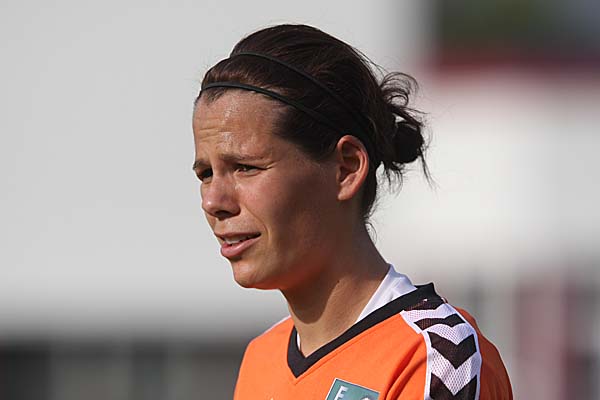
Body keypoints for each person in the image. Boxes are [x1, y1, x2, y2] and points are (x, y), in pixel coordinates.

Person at [192, 24, 512, 400]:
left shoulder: (433, 357)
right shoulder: (261, 357)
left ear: (346, 168)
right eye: (205, 174)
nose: (214, 201)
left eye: (246, 167)